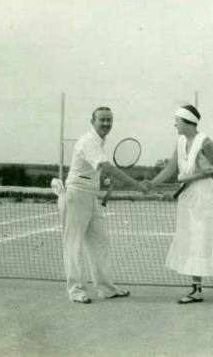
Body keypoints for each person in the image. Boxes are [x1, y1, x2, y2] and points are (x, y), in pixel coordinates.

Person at [147, 105, 213, 307]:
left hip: (204, 196)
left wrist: (193, 176)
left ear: (187, 122)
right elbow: (171, 168)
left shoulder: (204, 141)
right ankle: (196, 290)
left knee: (209, 240)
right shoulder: (180, 141)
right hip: (187, 198)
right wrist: (152, 183)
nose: (174, 124)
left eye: (177, 120)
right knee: (190, 240)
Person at [59, 106, 147, 304]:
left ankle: (107, 289)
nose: (106, 123)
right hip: (75, 195)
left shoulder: (99, 143)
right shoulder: (89, 141)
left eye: (109, 120)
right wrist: (136, 184)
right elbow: (106, 167)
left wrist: (105, 180)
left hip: (90, 196)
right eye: (102, 120)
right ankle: (76, 291)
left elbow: (99, 170)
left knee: (100, 243)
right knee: (72, 246)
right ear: (93, 122)